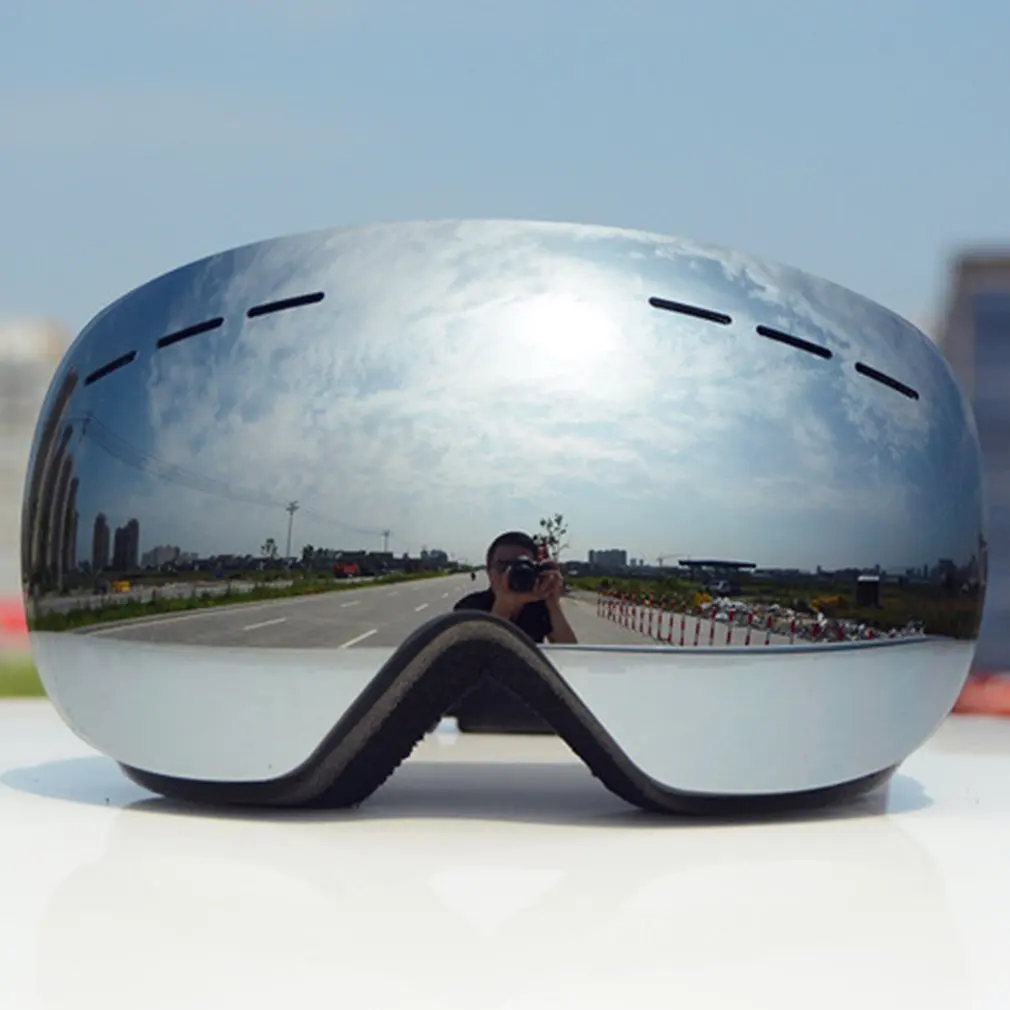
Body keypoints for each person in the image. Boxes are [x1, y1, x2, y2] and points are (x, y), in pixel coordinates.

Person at [454, 530, 578, 645]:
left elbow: (570, 652)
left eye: (522, 566)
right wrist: (502, 608)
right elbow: (472, 656)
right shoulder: (468, 609)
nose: (510, 573)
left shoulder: (538, 607)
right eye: (502, 565)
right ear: (488, 570)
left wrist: (553, 605)